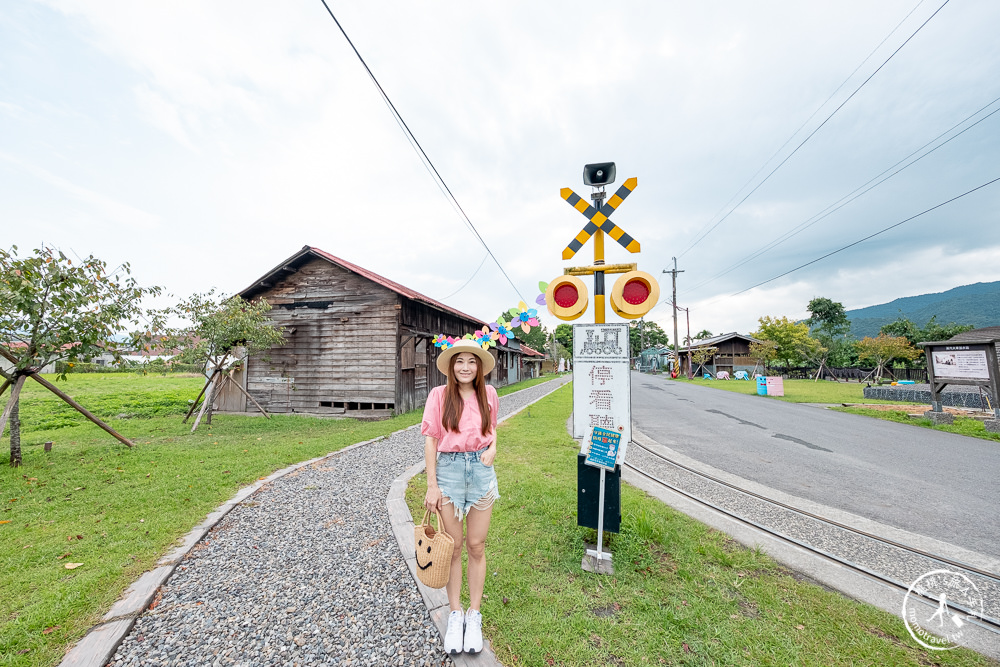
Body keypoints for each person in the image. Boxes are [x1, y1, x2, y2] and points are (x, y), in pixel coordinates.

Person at [421, 339, 500, 655]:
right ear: (451, 367)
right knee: (453, 548)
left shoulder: (489, 394)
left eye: (472, 361)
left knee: (476, 545)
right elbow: (430, 441)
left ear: (479, 367)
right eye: (459, 361)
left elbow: (493, 429)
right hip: (449, 473)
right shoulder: (439, 396)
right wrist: (431, 485)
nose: (465, 367)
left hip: (481, 472)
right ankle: (455, 614)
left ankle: (474, 614)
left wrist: (493, 448)